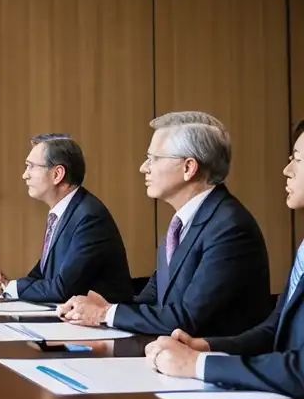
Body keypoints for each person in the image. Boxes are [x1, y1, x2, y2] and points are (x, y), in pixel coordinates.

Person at [59, 112, 271, 336]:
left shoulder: (229, 228)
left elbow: (187, 318)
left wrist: (105, 314)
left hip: (215, 362)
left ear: (188, 167)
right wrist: (102, 306)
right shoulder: (184, 221)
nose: (144, 167)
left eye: (154, 158)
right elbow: (155, 299)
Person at [145, 119, 304, 398]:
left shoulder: (229, 224)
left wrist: (198, 364)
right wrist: (205, 346)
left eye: (298, 160)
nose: (287, 170)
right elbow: (274, 330)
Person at [0, 134, 133, 304]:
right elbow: (42, 276)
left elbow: (63, 289)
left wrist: (5, 287)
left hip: (100, 324)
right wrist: (3, 283)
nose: (25, 175)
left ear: (57, 174)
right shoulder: (65, 211)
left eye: (31, 167)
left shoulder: (89, 217)